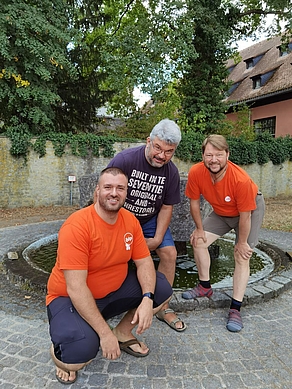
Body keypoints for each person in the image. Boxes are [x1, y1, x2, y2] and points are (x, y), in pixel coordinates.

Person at [46, 167, 173, 384]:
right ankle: (63, 347)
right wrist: (103, 335)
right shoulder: (77, 226)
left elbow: (144, 263)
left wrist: (147, 298)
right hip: (69, 298)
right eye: (108, 187)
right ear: (97, 191)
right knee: (77, 357)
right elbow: (76, 288)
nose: (114, 193)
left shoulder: (130, 221)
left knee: (162, 288)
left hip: (112, 293)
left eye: (120, 188)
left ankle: (122, 333)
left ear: (126, 193)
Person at [107, 118, 187, 332]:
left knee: (169, 253)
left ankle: (162, 307)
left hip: (150, 218)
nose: (162, 155)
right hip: (122, 217)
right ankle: (107, 301)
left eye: (169, 151)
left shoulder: (171, 172)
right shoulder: (125, 160)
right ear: (148, 141)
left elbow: (167, 207)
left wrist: (158, 238)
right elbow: (107, 195)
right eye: (158, 148)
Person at [182, 134, 265, 332]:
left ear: (227, 154)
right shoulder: (196, 172)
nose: (213, 160)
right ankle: (204, 287)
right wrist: (199, 229)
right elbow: (193, 203)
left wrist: (242, 242)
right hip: (221, 212)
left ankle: (235, 308)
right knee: (198, 241)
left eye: (219, 154)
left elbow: (245, 217)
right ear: (203, 155)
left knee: (241, 255)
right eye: (209, 155)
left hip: (249, 211)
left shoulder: (241, 180)